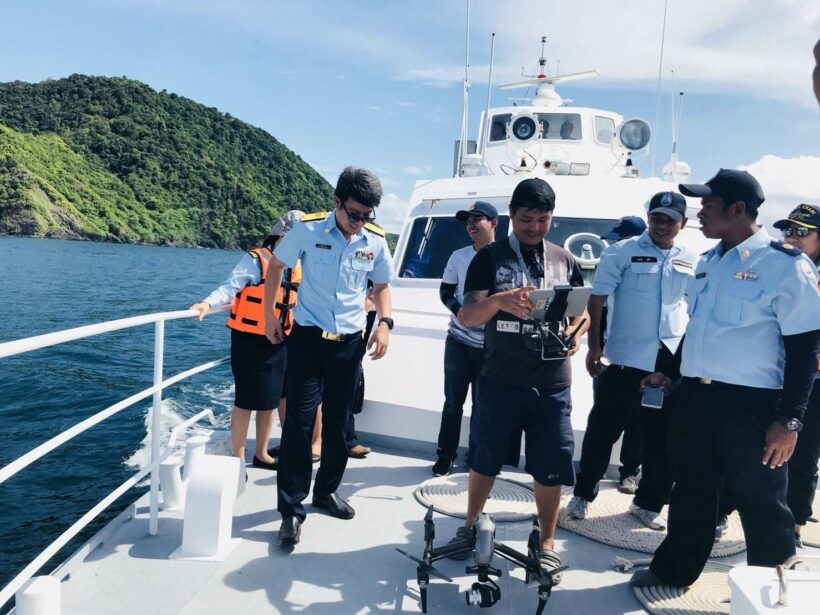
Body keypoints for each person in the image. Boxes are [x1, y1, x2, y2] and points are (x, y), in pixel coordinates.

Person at [631, 170, 820, 589]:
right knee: (691, 490)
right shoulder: (710, 262)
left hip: (753, 407)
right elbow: (698, 329)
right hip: (697, 401)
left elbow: (805, 351)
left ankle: (774, 590)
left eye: (708, 206)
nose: (699, 214)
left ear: (738, 210)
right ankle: (674, 570)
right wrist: (672, 373)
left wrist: (789, 421)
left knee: (762, 500)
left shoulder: (785, 266)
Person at [449, 178, 589, 581]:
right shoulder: (488, 258)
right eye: (527, 218)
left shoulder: (565, 259)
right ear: (511, 215)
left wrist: (576, 335)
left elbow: (582, 311)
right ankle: (471, 521)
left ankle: (546, 543)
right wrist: (499, 301)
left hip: (552, 383)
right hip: (500, 378)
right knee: (485, 457)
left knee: (551, 466)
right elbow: (468, 314)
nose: (534, 227)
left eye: (543, 219)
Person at [263, 166, 394, 548]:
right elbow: (276, 266)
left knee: (339, 425)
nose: (359, 223)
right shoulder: (307, 228)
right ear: (336, 201)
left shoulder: (375, 241)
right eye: (354, 214)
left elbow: (381, 286)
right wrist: (272, 313)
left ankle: (326, 491)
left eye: (367, 216)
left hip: (349, 345)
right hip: (306, 340)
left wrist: (384, 322)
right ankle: (290, 510)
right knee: (299, 427)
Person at [567, 193, 695, 530]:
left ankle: (648, 503)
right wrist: (594, 347)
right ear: (648, 218)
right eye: (657, 217)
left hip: (666, 362)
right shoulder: (621, 252)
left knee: (660, 439)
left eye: (670, 218)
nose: (662, 224)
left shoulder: (688, 258)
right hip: (624, 357)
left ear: (683, 222)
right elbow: (598, 299)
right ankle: (582, 494)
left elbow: (693, 306)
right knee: (602, 431)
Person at [189, 210, 304, 471]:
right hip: (250, 340)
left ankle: (261, 454)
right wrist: (207, 303)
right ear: (278, 236)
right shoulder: (257, 260)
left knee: (270, 400)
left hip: (280, 340)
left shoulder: (297, 267)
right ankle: (237, 458)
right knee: (246, 399)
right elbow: (230, 286)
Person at [433, 200, 498, 476]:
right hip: (458, 342)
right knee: (452, 403)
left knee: (483, 408)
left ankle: (476, 458)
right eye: (467, 220)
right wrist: (457, 309)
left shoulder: (504, 255)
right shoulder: (458, 256)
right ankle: (445, 456)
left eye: (477, 219)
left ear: (493, 223)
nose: (471, 224)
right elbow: (446, 290)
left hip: (491, 347)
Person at [774, 203, 820, 547]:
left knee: (803, 457)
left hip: (813, 382)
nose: (792, 237)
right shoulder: (777, 268)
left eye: (802, 232)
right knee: (748, 448)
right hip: (770, 375)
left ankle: (795, 527)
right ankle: (724, 512)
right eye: (788, 230)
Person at [599, 216, 648, 492]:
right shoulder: (611, 270)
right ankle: (590, 478)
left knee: (637, 421)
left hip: (643, 358)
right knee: (604, 422)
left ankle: (630, 472)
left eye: (618, 240)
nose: (613, 246)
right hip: (612, 357)